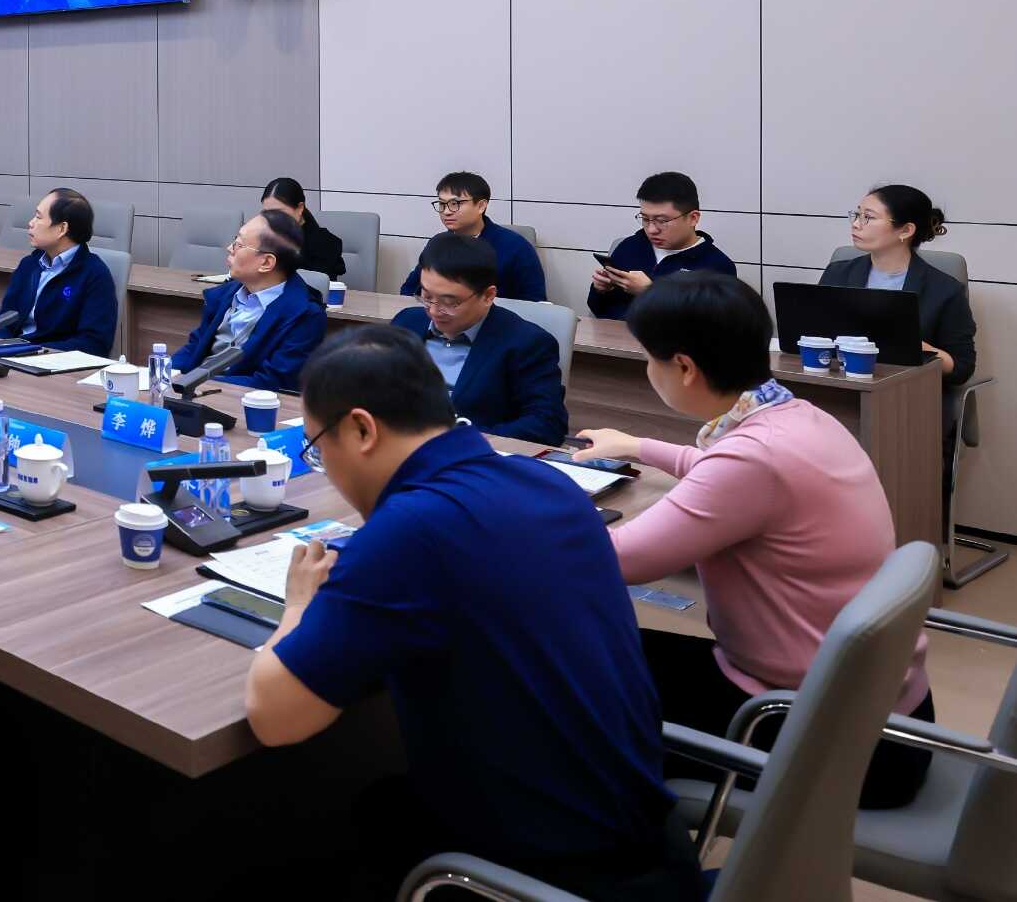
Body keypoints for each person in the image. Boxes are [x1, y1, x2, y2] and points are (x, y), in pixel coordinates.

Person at [245, 328, 698, 901]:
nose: (325, 466)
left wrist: (298, 605)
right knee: (380, 804)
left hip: (551, 873)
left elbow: (275, 717)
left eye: (317, 447)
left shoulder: (412, 531)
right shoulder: (547, 481)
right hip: (645, 833)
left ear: (361, 429)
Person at [575, 274, 933, 809]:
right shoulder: (799, 416)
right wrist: (637, 445)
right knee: (604, 651)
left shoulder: (752, 460)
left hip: (827, 737)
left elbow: (619, 559)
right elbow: (724, 474)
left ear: (684, 367)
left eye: (650, 359)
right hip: (881, 710)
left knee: (572, 687)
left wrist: (520, 514)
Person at [389, 232, 566, 444]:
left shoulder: (527, 343)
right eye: (426, 296)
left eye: (449, 302)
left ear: (488, 296)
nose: (434, 311)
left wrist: (467, 440)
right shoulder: (407, 322)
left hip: (466, 453)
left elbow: (547, 424)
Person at [823, 185, 977, 411]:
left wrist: (918, 348)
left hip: (907, 402)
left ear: (905, 230)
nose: (856, 223)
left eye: (868, 217)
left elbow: (962, 367)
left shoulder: (945, 290)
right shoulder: (837, 273)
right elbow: (814, 334)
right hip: (839, 388)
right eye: (857, 214)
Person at [169, 211, 326, 392]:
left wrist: (195, 382)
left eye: (239, 244)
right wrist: (166, 373)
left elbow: (273, 382)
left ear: (266, 262)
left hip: (240, 399)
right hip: (192, 390)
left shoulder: (305, 316)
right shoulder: (226, 294)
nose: (229, 248)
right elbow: (195, 347)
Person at [587, 172, 737, 321]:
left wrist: (651, 292)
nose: (651, 230)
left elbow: (713, 325)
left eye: (662, 221)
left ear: (693, 218)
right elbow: (598, 310)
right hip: (612, 334)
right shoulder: (629, 246)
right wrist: (601, 290)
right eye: (645, 219)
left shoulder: (717, 265)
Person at [0, 189, 118, 356]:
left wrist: (33, 352)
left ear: (62, 228)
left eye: (38, 217)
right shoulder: (29, 265)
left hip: (53, 361)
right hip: (14, 355)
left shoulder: (95, 275)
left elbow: (94, 343)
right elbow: (4, 321)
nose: (30, 223)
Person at [399, 171, 546, 302]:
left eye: (455, 203)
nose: (446, 211)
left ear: (481, 206)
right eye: (442, 204)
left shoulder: (516, 247)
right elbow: (409, 291)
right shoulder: (437, 243)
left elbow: (534, 303)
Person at [261, 177, 345, 285]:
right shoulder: (264, 237)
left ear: (300, 208)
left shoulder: (326, 244)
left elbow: (317, 287)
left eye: (279, 212)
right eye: (267, 213)